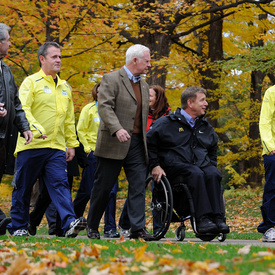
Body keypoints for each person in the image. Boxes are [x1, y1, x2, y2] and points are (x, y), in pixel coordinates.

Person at [6, 41, 86, 237]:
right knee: (23, 188)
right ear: (42, 59)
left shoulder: (65, 86)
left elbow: (69, 119)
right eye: (54, 57)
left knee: (60, 185)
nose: (59, 60)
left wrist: (71, 145)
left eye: (60, 57)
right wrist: (36, 128)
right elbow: (22, 109)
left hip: (56, 147)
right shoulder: (31, 82)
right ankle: (19, 226)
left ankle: (69, 223)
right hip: (30, 145)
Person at [86, 44, 154, 241]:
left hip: (137, 145)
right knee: (103, 187)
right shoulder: (111, 79)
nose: (149, 65)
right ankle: (92, 226)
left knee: (138, 186)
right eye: (147, 61)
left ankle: (137, 229)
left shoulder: (144, 85)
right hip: (113, 142)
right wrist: (117, 129)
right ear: (135, 60)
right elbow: (105, 107)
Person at [146, 86, 230, 235]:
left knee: (213, 173)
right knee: (195, 173)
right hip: (175, 167)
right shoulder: (167, 123)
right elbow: (149, 143)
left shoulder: (204, 125)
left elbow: (213, 147)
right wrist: (155, 165)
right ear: (190, 103)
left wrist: (211, 164)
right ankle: (202, 219)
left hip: (199, 165)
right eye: (202, 100)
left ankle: (217, 218)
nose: (206, 103)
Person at [118, 84, 171, 235]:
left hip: (160, 158)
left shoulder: (168, 116)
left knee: (159, 192)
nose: (147, 99)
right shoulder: (140, 114)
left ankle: (158, 228)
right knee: (138, 189)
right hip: (141, 155)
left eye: (151, 96)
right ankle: (125, 223)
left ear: (158, 98)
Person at [74, 83, 120, 238]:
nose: (102, 94)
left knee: (111, 192)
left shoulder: (115, 111)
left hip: (111, 155)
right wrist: (87, 150)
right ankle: (71, 222)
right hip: (94, 154)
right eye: (99, 92)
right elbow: (80, 130)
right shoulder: (88, 109)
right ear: (96, 93)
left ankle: (110, 228)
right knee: (87, 192)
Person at [0, 23, 33, 235]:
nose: (10, 44)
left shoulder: (6, 70)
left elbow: (16, 103)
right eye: (8, 40)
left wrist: (24, 127)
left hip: (4, 136)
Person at [257, 84, 275, 242]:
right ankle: (268, 228)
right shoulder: (272, 92)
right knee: (273, 189)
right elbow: (265, 121)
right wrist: (270, 147)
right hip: (273, 150)